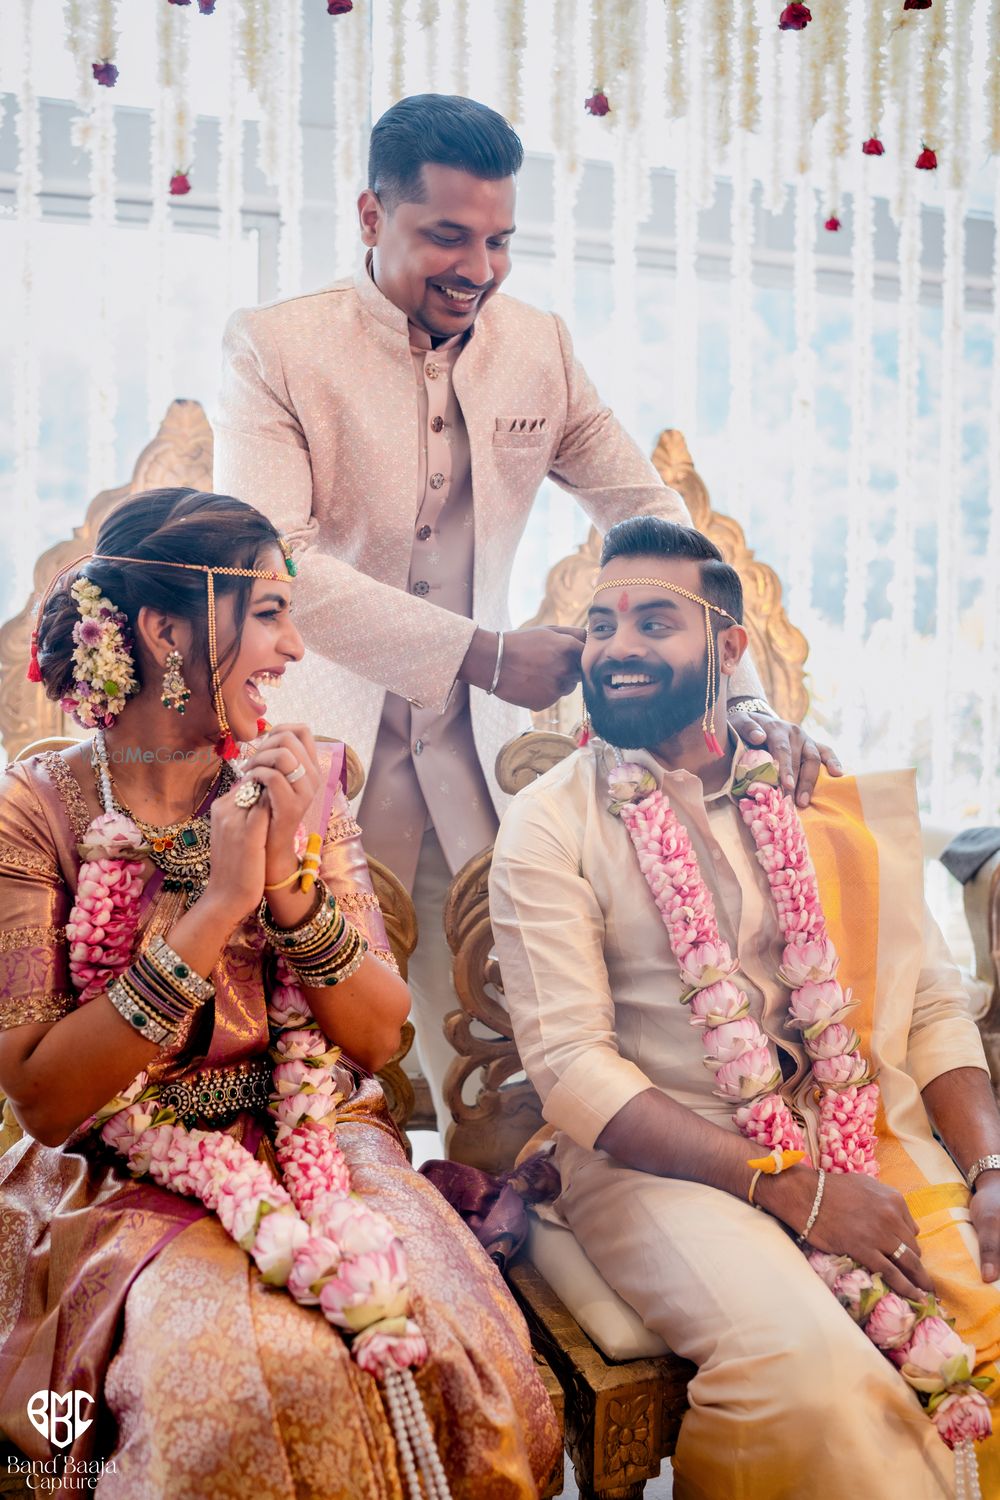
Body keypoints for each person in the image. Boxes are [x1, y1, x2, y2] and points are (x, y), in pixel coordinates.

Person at [213, 93, 839, 1132]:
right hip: (317, 765)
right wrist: (483, 653)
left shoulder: (536, 347)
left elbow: (647, 513)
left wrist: (734, 697)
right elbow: (273, 565)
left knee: (513, 1088)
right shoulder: (276, 348)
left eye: (499, 240)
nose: (479, 268)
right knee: (319, 1083)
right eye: (447, 237)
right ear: (372, 218)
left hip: (487, 779)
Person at [0, 488, 560, 1499]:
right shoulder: (37, 813)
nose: (296, 650)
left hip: (320, 1136)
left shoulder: (300, 781)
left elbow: (380, 1038)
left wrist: (294, 888)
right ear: (166, 630)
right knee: (243, 1397)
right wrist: (217, 906)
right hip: (121, 1174)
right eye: (267, 613)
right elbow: (42, 1098)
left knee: (448, 1356)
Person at [489, 516, 1000, 1499]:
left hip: (858, 1137)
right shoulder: (551, 821)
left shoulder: (815, 793)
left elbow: (927, 1002)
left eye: (654, 622)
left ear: (730, 649)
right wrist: (791, 1192)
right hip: (656, 1163)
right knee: (811, 1387)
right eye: (599, 624)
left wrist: (987, 1168)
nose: (618, 646)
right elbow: (574, 1071)